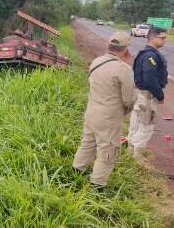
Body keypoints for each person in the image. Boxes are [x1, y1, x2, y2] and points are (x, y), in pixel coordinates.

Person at [72, 32, 136, 188]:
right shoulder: (124, 69)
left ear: (109, 46)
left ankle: (76, 173)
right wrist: (127, 110)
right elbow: (129, 99)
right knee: (107, 151)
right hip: (108, 118)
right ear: (126, 49)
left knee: (87, 143)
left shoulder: (96, 61)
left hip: (91, 111)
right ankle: (97, 186)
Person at [127, 27, 168, 162]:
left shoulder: (144, 53)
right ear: (153, 37)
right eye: (162, 38)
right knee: (146, 126)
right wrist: (160, 95)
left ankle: (130, 152)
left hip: (139, 94)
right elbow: (150, 79)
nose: (164, 40)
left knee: (136, 123)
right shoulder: (150, 55)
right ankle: (137, 158)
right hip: (147, 96)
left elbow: (142, 74)